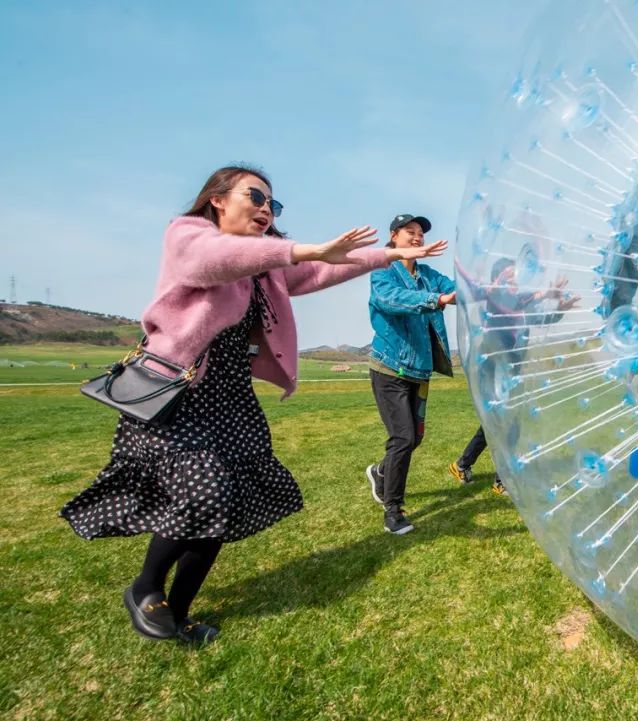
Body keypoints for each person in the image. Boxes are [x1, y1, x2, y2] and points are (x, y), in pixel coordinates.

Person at [60, 165, 445, 645]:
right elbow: (216, 259)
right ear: (218, 199)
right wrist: (303, 248)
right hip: (181, 392)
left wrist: (387, 253)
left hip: (231, 395)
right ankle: (145, 586)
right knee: (206, 493)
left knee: (227, 505)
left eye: (273, 205)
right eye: (256, 197)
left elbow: (323, 267)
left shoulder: (264, 266)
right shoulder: (189, 235)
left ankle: (177, 615)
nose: (266, 209)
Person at [449, 258, 579, 493]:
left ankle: (463, 464)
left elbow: (540, 319)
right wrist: (544, 293)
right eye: (509, 278)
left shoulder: (521, 303)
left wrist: (560, 309)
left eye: (516, 278)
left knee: (496, 422)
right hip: (492, 369)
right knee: (507, 422)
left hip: (512, 371)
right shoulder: (496, 300)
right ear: (497, 281)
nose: (515, 282)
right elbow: (511, 300)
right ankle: (502, 479)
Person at [365, 214, 456, 534]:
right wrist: (437, 300)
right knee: (402, 437)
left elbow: (455, 288)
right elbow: (391, 300)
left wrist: (474, 287)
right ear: (394, 236)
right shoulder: (382, 271)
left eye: (420, 234)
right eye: (410, 232)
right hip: (389, 369)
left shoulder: (429, 274)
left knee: (414, 437)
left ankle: (380, 472)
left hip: (419, 372)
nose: (417, 237)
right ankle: (393, 512)